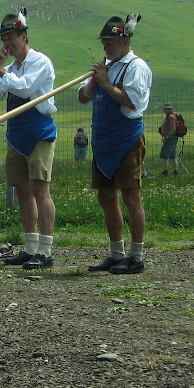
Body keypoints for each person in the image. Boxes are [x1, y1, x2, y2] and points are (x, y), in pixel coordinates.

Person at [0, 8, 57, 270]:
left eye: (11, 36)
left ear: (24, 36)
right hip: (16, 133)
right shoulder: (10, 67)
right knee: (23, 191)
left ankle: (45, 251)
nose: (7, 43)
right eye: (4, 38)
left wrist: (1, 72)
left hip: (39, 131)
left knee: (40, 189)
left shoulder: (40, 62)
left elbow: (25, 88)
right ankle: (30, 247)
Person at [78, 14, 152, 274]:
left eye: (111, 42)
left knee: (131, 195)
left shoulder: (136, 67)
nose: (106, 47)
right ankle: (116, 252)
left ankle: (137, 255)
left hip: (127, 138)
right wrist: (92, 83)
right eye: (104, 42)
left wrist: (106, 83)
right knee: (106, 196)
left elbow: (132, 101)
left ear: (125, 40)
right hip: (103, 140)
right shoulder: (104, 67)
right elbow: (82, 98)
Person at [159, 102, 180, 176]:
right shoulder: (173, 116)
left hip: (170, 138)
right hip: (172, 138)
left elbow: (172, 129)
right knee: (172, 155)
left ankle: (165, 171)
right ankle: (175, 171)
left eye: (165, 109)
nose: (164, 110)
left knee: (165, 154)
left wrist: (166, 137)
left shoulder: (171, 117)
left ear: (168, 109)